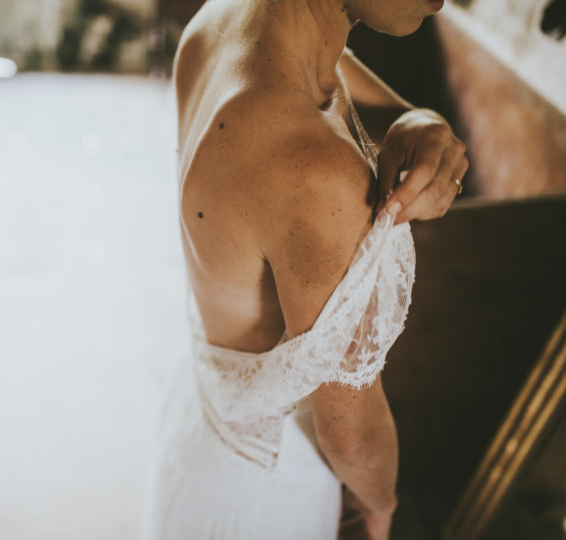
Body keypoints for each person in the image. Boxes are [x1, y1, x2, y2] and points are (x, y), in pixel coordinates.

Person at [141, 0, 469, 539]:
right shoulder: (314, 170)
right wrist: (381, 508)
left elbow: (367, 98)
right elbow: (353, 437)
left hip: (199, 433)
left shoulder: (224, 21)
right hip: (265, 496)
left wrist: (422, 121)